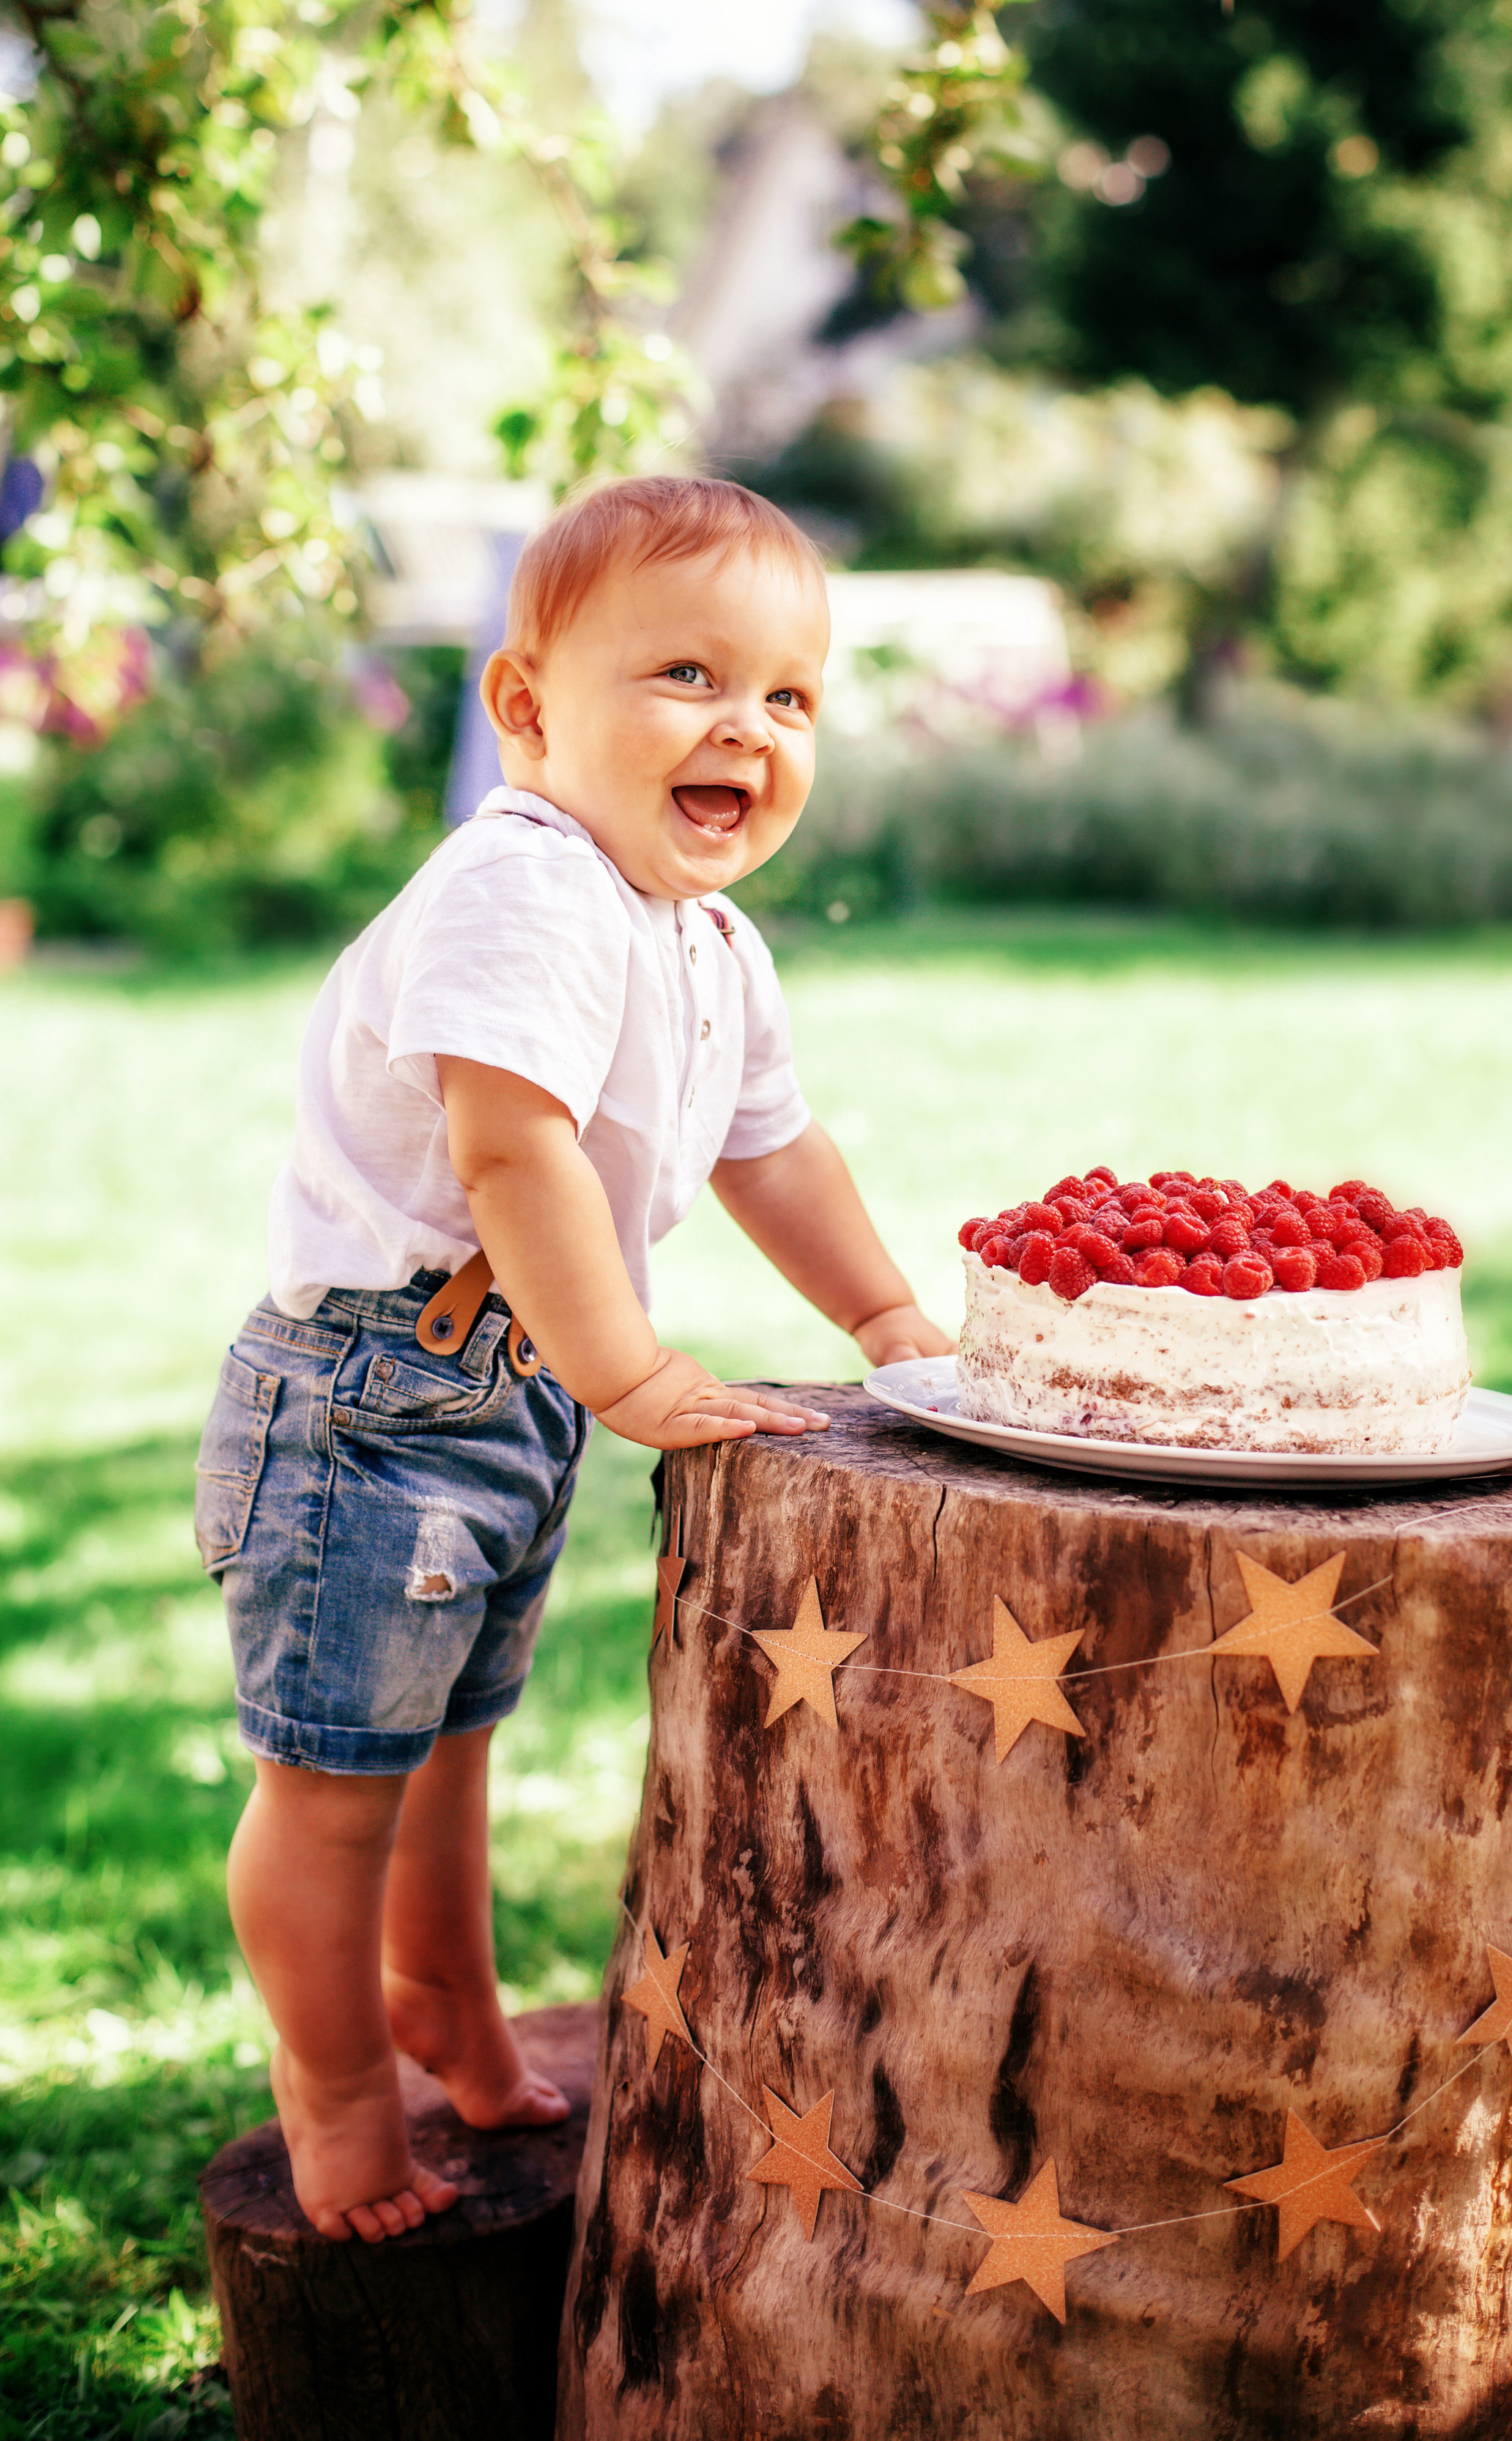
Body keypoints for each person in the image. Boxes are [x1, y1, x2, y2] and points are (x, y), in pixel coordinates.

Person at [192, 475, 951, 2242]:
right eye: (685, 676)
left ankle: (442, 1996)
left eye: (787, 697)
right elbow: (509, 1155)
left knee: (452, 1737)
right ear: (526, 709)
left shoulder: (702, 935)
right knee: (331, 1784)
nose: (745, 731)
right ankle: (331, 2090)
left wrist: (888, 1318)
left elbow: (772, 1150)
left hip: (507, 1391)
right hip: (373, 1404)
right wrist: (620, 1369)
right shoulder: (523, 888)